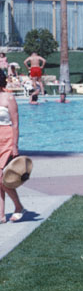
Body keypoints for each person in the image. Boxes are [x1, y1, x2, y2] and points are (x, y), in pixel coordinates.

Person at [0, 71, 25, 223]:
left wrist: (15, 146)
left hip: (6, 139)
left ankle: (18, 206)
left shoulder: (9, 97)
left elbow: (15, 123)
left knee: (2, 178)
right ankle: (1, 215)